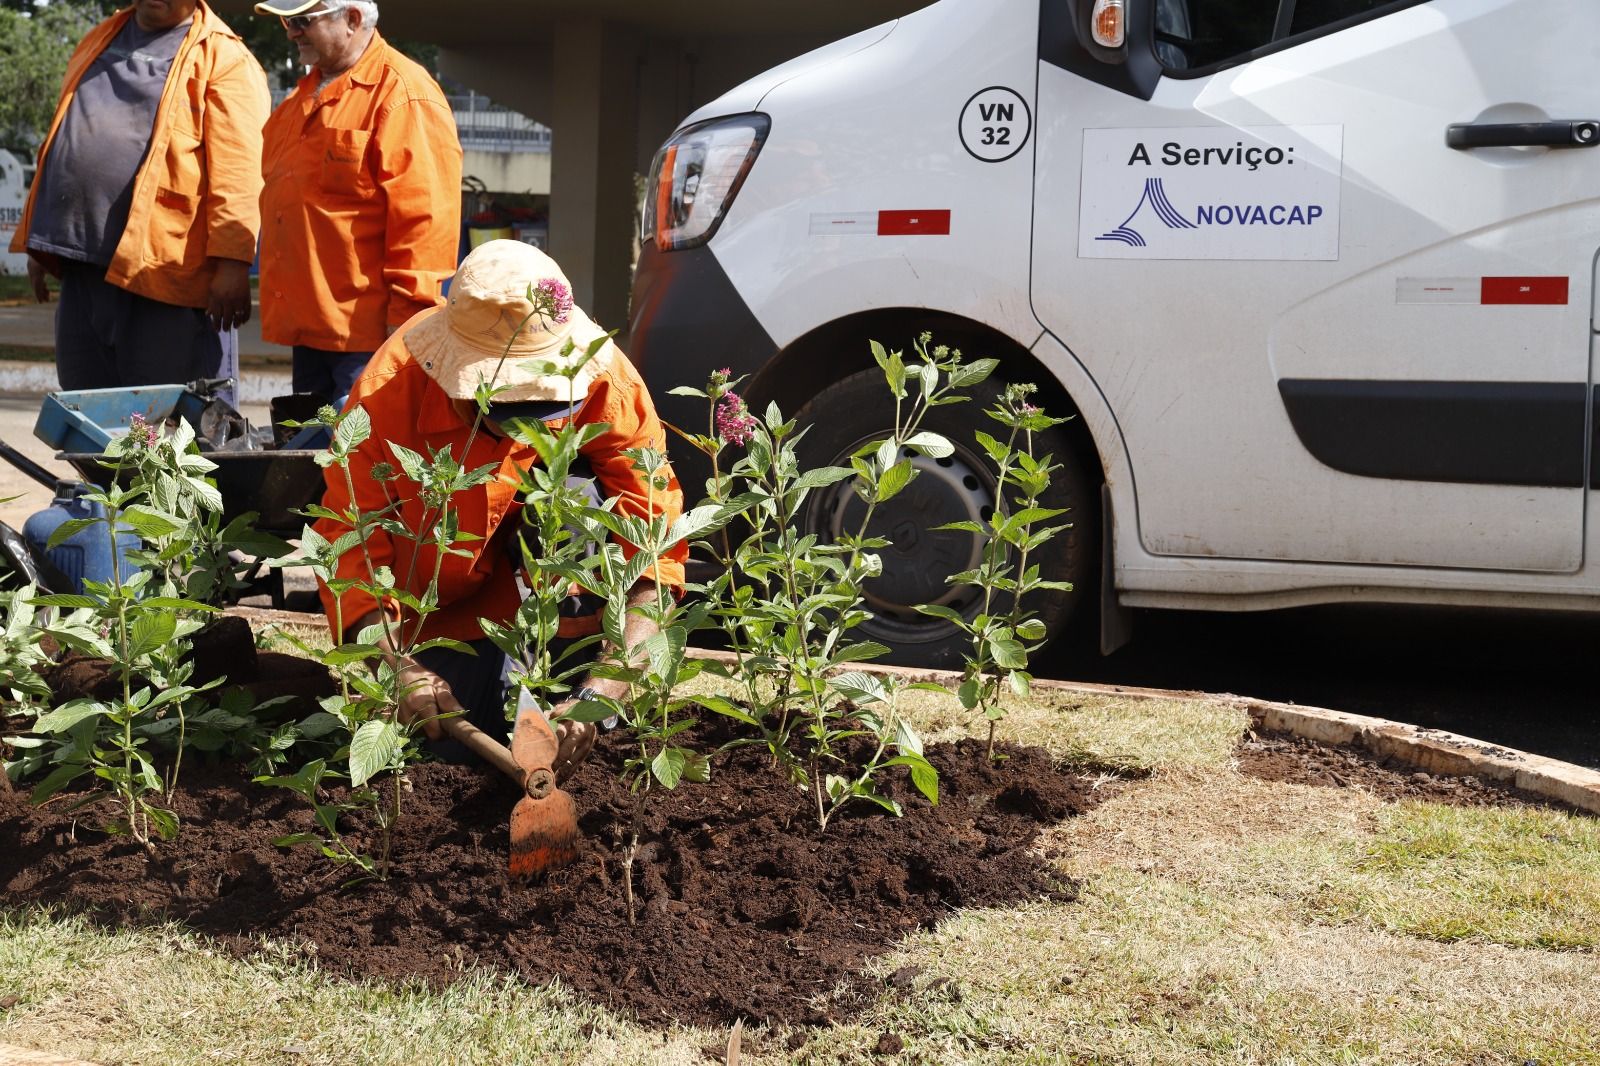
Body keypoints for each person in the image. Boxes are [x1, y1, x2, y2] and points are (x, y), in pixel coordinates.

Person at [313, 240, 688, 780]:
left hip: (547, 595)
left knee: (577, 501)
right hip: (437, 604)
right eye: (511, 410)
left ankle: (571, 687)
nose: (530, 426)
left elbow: (655, 541)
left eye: (545, 407)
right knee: (444, 754)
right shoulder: (386, 393)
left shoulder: (607, 378)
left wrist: (608, 684)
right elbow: (350, 551)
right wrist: (398, 668)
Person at [11, 0, 269, 391]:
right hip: (83, 269)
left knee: (168, 429)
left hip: (163, 277)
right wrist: (41, 239)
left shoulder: (224, 57)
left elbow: (241, 172)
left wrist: (233, 263)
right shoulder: (101, 36)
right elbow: (65, 129)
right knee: (90, 419)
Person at [254, 0, 463, 404]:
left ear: (351, 19)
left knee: (361, 461)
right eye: (286, 21)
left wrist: (404, 336)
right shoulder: (303, 99)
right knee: (316, 459)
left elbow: (425, 225)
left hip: (369, 342)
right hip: (312, 333)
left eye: (302, 21)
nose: (291, 32)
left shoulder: (403, 93)